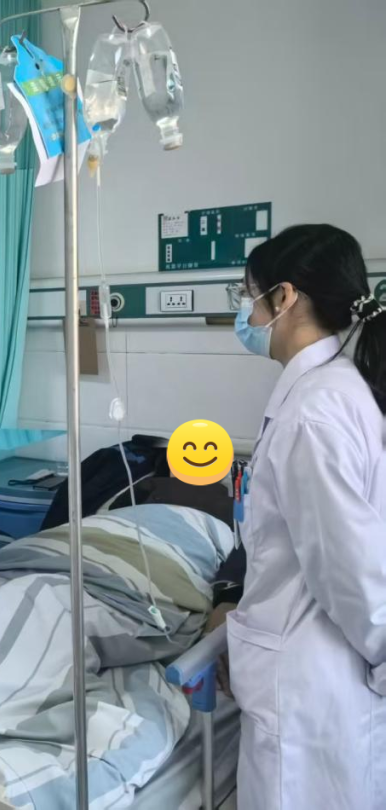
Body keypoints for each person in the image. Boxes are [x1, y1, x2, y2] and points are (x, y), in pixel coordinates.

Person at [224, 225, 386, 809]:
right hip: (321, 676)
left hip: (312, 684)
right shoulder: (339, 386)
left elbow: (351, 570)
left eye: (248, 296)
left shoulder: (315, 411)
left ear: (284, 298)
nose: (246, 313)